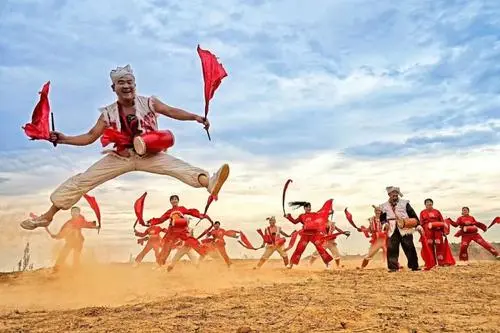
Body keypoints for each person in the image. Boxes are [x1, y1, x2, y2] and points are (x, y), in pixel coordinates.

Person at [20, 65, 229, 230]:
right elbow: (91, 136)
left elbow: (171, 111)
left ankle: (209, 183)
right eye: (121, 83)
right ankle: (47, 217)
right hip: (120, 157)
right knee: (82, 180)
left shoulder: (149, 102)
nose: (126, 86)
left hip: (150, 154)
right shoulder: (108, 113)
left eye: (129, 82)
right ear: (114, 88)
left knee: (180, 168)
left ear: (135, 84)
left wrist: (195, 117)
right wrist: (64, 138)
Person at [379, 186, 421, 272]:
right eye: (393, 193)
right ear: (389, 194)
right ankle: (393, 267)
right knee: (392, 248)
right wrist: (385, 223)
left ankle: (414, 266)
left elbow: (412, 214)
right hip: (392, 228)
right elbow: (382, 218)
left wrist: (417, 225)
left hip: (405, 227)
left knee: (409, 246)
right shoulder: (383, 206)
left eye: (396, 193)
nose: (395, 195)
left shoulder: (405, 203)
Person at [45, 207, 99, 271]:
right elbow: (62, 232)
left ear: (79, 213)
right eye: (73, 211)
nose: (75, 213)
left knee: (76, 258)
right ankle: (56, 269)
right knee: (62, 255)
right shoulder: (68, 223)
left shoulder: (80, 220)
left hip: (78, 242)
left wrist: (95, 226)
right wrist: (56, 236)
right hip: (70, 242)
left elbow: (86, 224)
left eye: (76, 211)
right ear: (71, 213)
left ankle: (75, 271)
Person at [285, 200, 334, 269]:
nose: (308, 208)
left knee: (320, 248)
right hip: (305, 234)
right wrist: (288, 217)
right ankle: (291, 264)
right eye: (307, 207)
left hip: (314, 234)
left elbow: (322, 214)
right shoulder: (301, 216)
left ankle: (327, 263)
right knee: (299, 249)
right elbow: (294, 222)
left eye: (309, 207)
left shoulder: (315, 214)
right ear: (304, 208)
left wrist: (329, 212)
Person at [419, 198, 455, 267]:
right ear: (425, 204)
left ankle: (441, 262)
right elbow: (421, 222)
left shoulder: (437, 212)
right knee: (429, 246)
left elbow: (442, 221)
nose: (428, 203)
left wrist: (444, 231)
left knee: (439, 245)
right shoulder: (422, 212)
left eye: (430, 202)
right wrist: (422, 232)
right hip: (428, 230)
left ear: (432, 203)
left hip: (437, 230)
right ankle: (431, 263)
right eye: (427, 202)